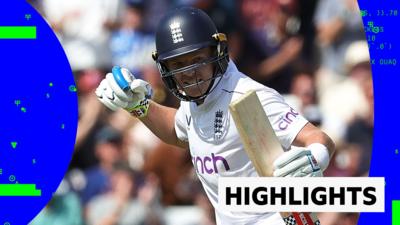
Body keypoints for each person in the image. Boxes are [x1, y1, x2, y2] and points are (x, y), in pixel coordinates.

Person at [96, 6, 335, 225]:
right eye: (179, 65)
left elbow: (317, 137)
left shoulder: (246, 96)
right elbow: (179, 132)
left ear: (217, 53)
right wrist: (138, 105)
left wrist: (315, 156)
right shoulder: (195, 100)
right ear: (165, 68)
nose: (191, 74)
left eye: (198, 60)